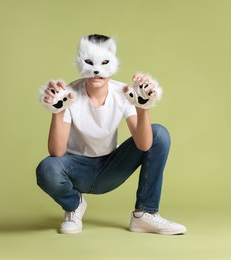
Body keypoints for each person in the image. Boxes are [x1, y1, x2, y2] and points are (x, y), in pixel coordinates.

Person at [36, 34, 187, 235]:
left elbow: (144, 145)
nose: (97, 71)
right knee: (47, 168)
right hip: (75, 169)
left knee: (158, 133)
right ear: (80, 62)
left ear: (113, 63)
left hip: (111, 168)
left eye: (104, 63)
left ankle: (144, 214)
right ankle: (74, 206)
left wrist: (143, 108)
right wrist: (58, 111)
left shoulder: (123, 92)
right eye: (90, 63)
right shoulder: (70, 93)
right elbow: (56, 151)